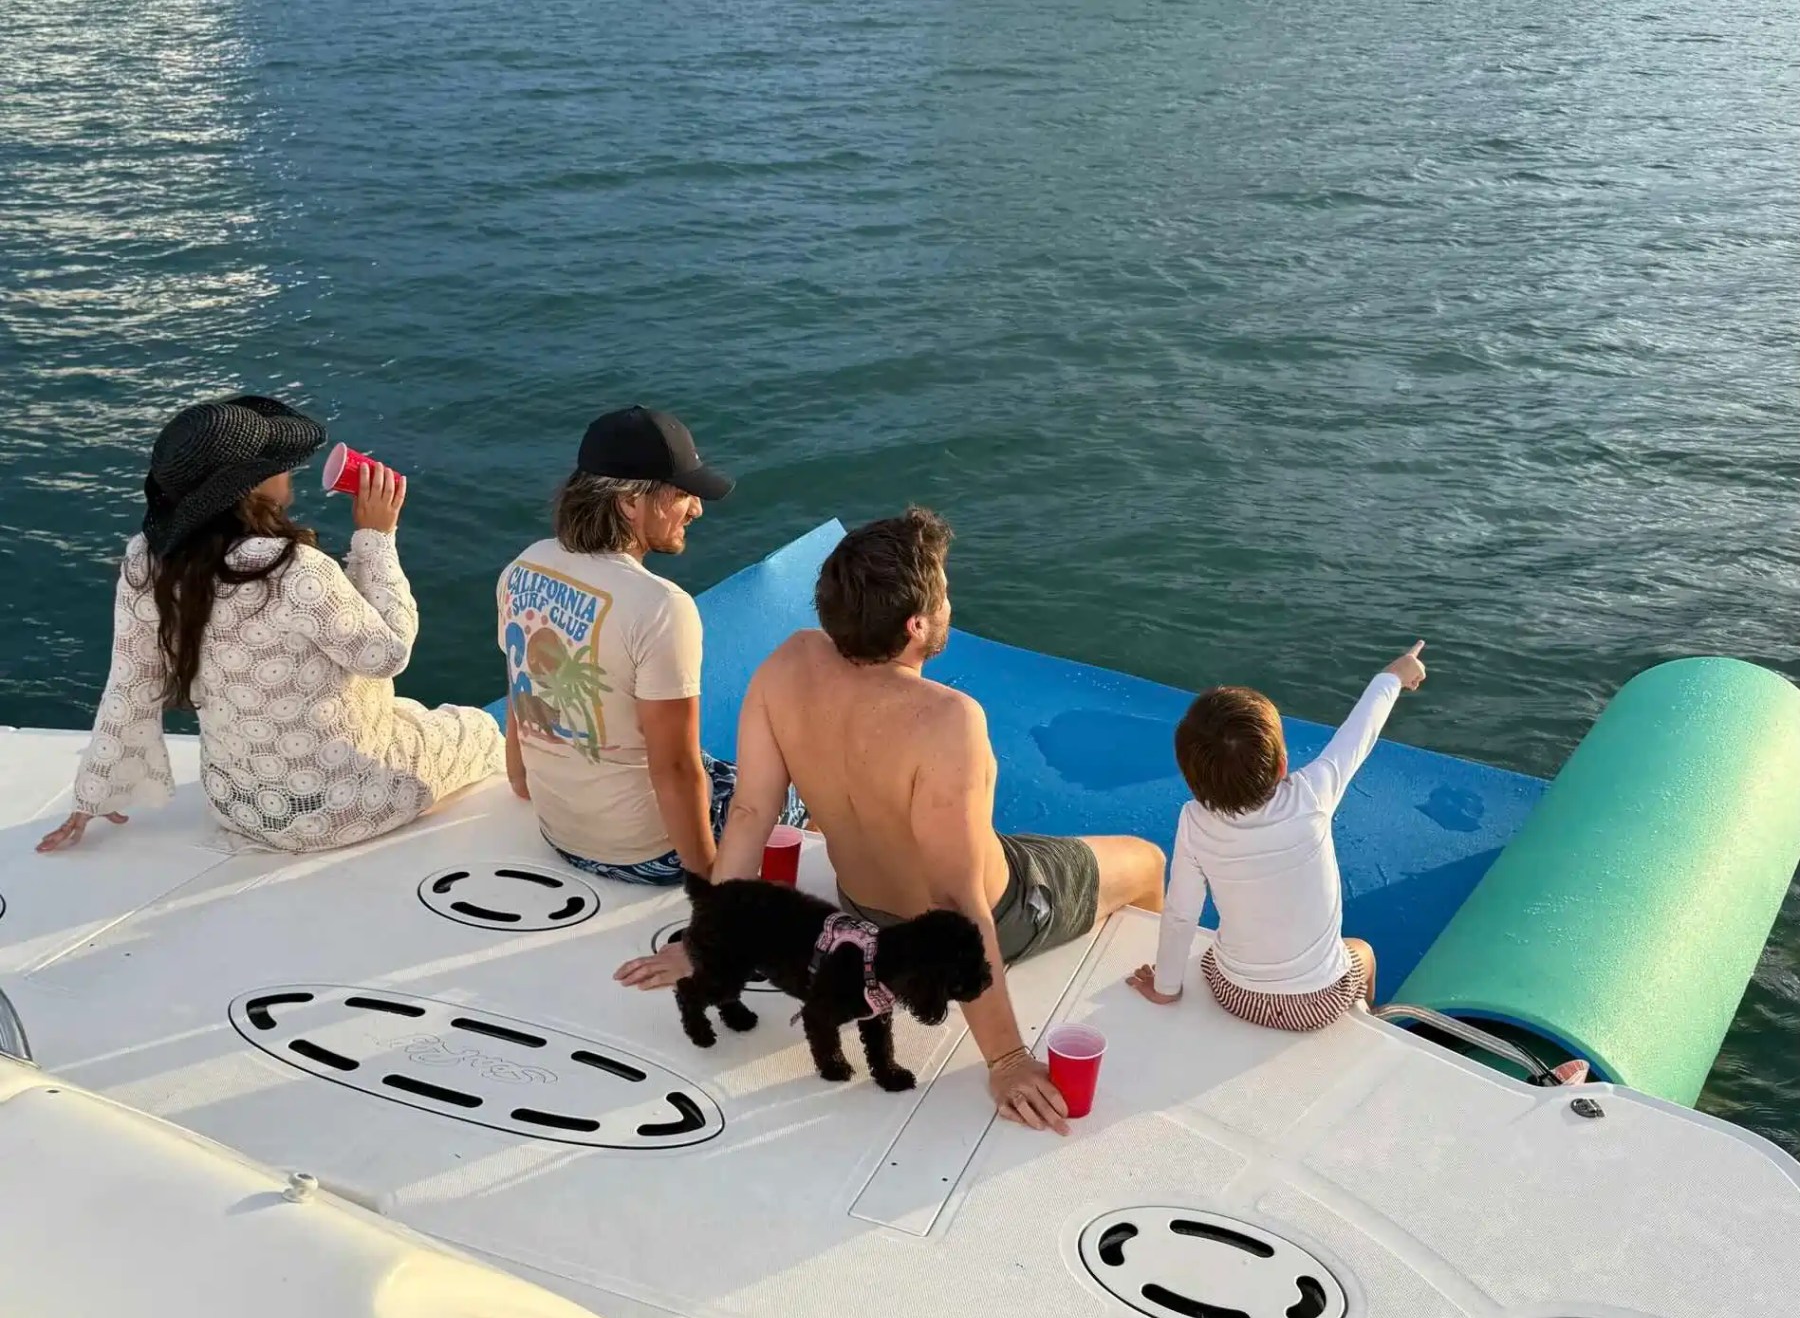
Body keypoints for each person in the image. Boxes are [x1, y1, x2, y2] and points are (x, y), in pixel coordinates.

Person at [615, 508, 1167, 1133]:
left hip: (861, 915)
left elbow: (747, 813)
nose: (951, 602)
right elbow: (958, 900)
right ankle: (1158, 989)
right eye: (946, 594)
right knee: (1146, 858)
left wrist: (704, 942)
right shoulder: (948, 719)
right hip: (971, 921)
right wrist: (1009, 1059)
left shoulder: (788, 662)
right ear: (917, 625)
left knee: (993, 843)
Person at [37, 396, 503, 855]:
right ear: (251, 486)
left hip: (239, 804)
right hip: (343, 809)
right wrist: (377, 537)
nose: (289, 469)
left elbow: (131, 681)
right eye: (277, 463)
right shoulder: (293, 567)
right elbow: (387, 654)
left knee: (407, 715)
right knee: (478, 728)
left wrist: (96, 791)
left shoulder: (148, 560)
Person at [497, 406, 805, 884]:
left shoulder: (525, 567)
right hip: (646, 855)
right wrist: (707, 876)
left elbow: (523, 694)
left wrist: (520, 780)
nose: (697, 510)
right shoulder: (661, 607)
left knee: (716, 766)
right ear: (629, 503)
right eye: (682, 494)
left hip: (557, 833)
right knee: (795, 787)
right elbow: (676, 769)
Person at [1125, 643, 1429, 1029]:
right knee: (1363, 952)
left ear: (1191, 779)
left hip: (1235, 995)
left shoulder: (1194, 821)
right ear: (1282, 764)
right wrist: (1394, 675)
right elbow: (1359, 734)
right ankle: (1362, 1021)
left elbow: (1182, 913)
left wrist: (1166, 987)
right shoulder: (1312, 794)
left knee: (1215, 952)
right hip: (1320, 1002)